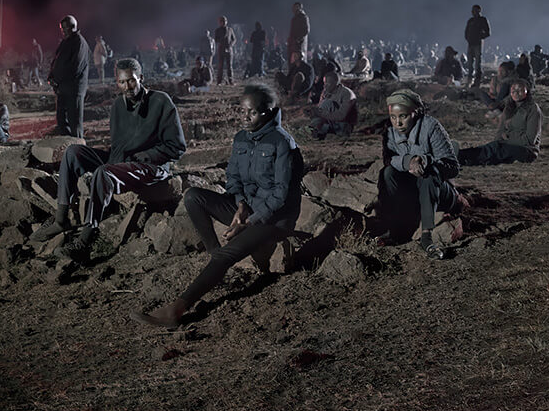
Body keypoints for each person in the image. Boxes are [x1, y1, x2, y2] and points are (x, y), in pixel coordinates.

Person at [130, 85, 301, 328]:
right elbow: (233, 177)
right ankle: (215, 265)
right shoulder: (242, 138)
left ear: (268, 113)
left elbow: (281, 196)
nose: (244, 118)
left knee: (227, 253)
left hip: (275, 220)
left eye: (250, 113)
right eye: (242, 111)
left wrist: (247, 223)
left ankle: (175, 312)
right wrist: (241, 206)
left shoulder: (283, 144)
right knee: (193, 197)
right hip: (248, 211)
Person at [31, 59, 187, 257]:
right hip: (120, 163)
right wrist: (114, 162)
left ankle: (86, 238)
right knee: (73, 152)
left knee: (103, 172)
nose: (127, 87)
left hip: (150, 166)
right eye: (122, 82)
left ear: (141, 78)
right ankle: (61, 219)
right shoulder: (118, 107)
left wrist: (145, 156)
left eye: (131, 81)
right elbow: (118, 147)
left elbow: (177, 147)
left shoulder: (161, 101)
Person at [375, 89, 464, 259]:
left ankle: (427, 237)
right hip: (412, 195)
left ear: (415, 113)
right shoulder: (389, 131)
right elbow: (388, 159)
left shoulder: (431, 126)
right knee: (388, 173)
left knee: (428, 175)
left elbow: (452, 167)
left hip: (440, 191)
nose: (398, 123)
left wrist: (424, 161)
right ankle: (395, 229)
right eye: (393, 117)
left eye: (403, 116)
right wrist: (408, 161)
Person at [461, 80, 543, 166]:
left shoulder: (533, 109)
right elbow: (500, 131)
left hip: (526, 150)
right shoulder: (509, 108)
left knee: (496, 150)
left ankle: (461, 156)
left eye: (520, 90)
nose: (516, 92)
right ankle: (459, 156)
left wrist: (507, 137)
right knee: (491, 149)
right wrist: (497, 142)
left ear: (527, 91)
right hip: (507, 145)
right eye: (513, 90)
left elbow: (529, 140)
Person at [49, 15, 92, 138]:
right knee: (62, 120)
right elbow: (56, 61)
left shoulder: (79, 42)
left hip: (74, 89)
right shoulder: (66, 41)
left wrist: (58, 79)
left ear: (72, 27)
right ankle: (67, 147)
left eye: (64, 29)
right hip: (63, 88)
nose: (62, 31)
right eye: (61, 29)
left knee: (75, 122)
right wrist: (51, 76)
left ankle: (78, 148)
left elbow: (75, 68)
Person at [310, 71, 358, 139]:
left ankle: (315, 130)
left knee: (327, 103)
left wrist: (320, 113)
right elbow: (320, 109)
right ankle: (314, 130)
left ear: (336, 82)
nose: (325, 85)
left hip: (344, 126)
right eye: (324, 83)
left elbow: (341, 116)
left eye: (327, 83)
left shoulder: (346, 94)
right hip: (332, 124)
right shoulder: (327, 92)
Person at [465, 4, 491, 88]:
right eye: (473, 10)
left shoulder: (483, 20)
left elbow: (488, 33)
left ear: (479, 10)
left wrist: (480, 37)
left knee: (477, 62)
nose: (473, 12)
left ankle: (477, 79)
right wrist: (468, 38)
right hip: (470, 43)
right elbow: (466, 31)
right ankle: (470, 78)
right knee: (470, 62)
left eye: (475, 10)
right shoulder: (470, 20)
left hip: (478, 43)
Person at [287, 2, 309, 66]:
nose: (293, 9)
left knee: (299, 60)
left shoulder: (304, 17)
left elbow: (306, 30)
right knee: (292, 61)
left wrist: (299, 39)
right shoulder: (294, 19)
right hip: (293, 43)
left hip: (299, 44)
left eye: (295, 7)